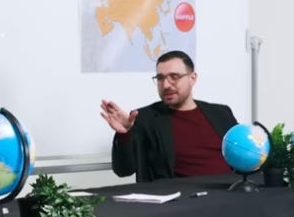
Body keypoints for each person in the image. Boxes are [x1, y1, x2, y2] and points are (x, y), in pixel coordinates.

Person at [100, 51, 239, 182]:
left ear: (192, 78)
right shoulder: (144, 118)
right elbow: (123, 170)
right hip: (180, 196)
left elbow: (243, 156)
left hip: (229, 192)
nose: (166, 85)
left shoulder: (221, 113)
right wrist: (124, 134)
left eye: (174, 77)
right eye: (160, 78)